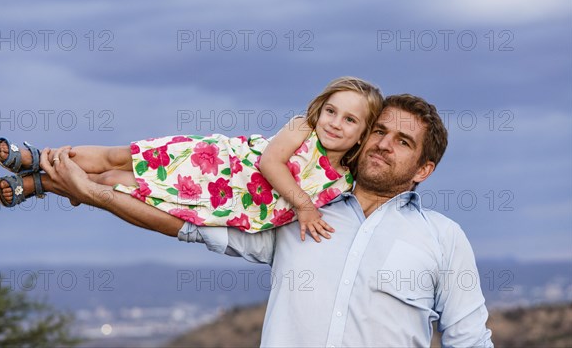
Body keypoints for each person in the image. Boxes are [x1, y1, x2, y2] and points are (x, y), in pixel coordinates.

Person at [38, 93, 494, 347]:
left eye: (403, 141)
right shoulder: (295, 212)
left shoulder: (443, 239)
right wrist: (88, 192)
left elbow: (469, 341)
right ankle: (40, 171)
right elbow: (188, 223)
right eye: (378, 131)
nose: (383, 144)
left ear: (423, 169)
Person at [0, 77, 382, 241]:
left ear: (362, 134)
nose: (335, 123)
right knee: (119, 157)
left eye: (349, 120)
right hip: (211, 163)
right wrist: (303, 206)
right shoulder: (304, 129)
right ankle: (38, 155)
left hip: (218, 202)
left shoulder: (344, 181)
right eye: (331, 110)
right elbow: (270, 164)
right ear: (320, 108)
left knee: (112, 183)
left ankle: (40, 182)